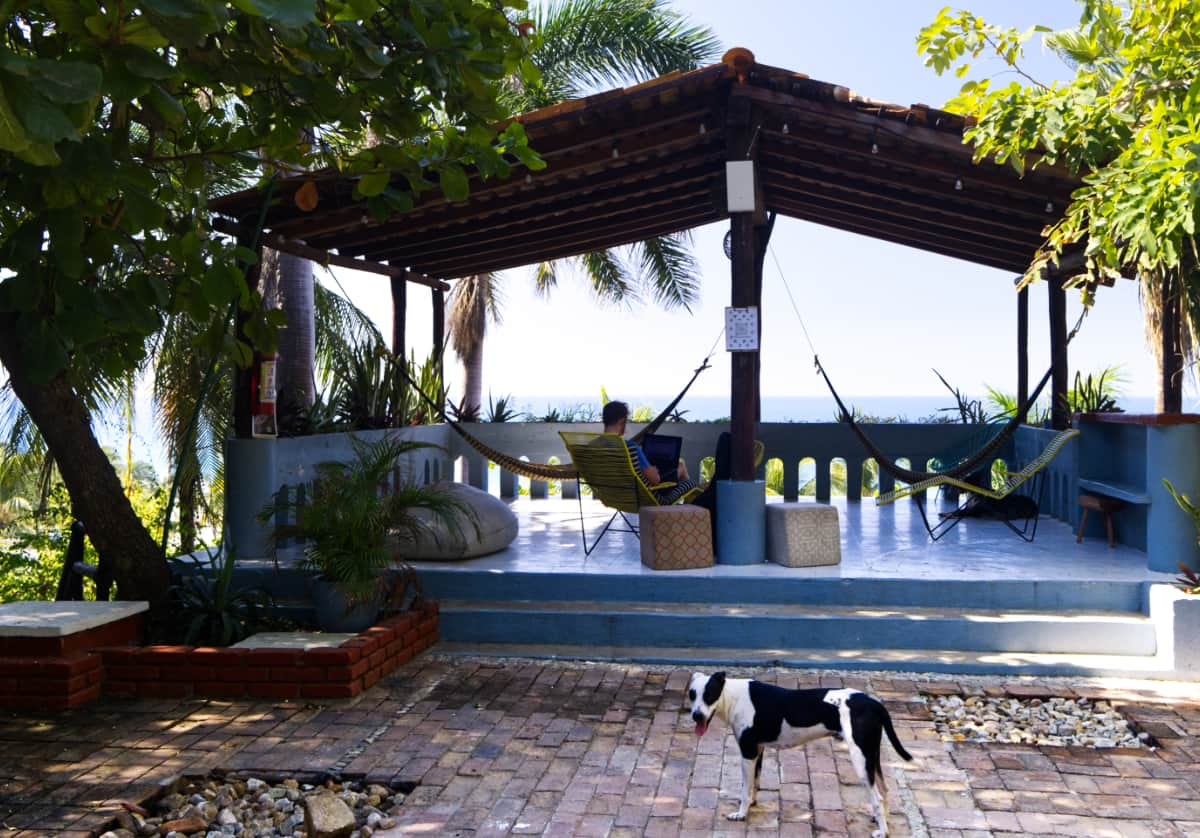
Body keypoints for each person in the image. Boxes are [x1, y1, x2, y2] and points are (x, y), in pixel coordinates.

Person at [602, 400, 705, 505]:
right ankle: (694, 507)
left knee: (679, 466)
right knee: (686, 478)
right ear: (622, 421)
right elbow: (655, 480)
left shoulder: (594, 446)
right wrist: (653, 470)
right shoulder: (630, 448)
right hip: (648, 498)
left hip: (611, 496)